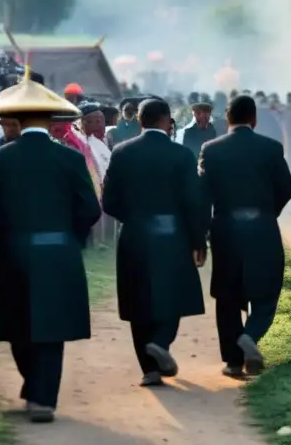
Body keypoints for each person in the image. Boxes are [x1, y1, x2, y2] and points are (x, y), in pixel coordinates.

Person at [0, 73, 101, 423]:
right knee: (52, 327)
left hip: (13, 253)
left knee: (17, 324)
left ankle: (34, 385)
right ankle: (42, 398)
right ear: (49, 120)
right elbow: (90, 210)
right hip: (59, 252)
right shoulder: (71, 160)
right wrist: (68, 239)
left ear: (18, 118)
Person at [102, 98, 207, 387]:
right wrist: (198, 240)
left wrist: (135, 218)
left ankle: (149, 369)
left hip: (135, 236)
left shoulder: (121, 153)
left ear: (139, 121)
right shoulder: (182, 155)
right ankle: (161, 342)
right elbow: (193, 202)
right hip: (173, 235)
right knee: (173, 294)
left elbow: (109, 202)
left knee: (138, 299)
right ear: (166, 120)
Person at [198, 94, 291, 377]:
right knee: (267, 290)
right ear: (254, 119)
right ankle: (251, 336)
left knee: (227, 295)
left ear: (227, 118)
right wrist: (267, 213)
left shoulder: (210, 149)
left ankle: (232, 361)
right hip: (262, 228)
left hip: (226, 229)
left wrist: (201, 234)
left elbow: (202, 196)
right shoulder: (271, 148)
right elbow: (287, 189)